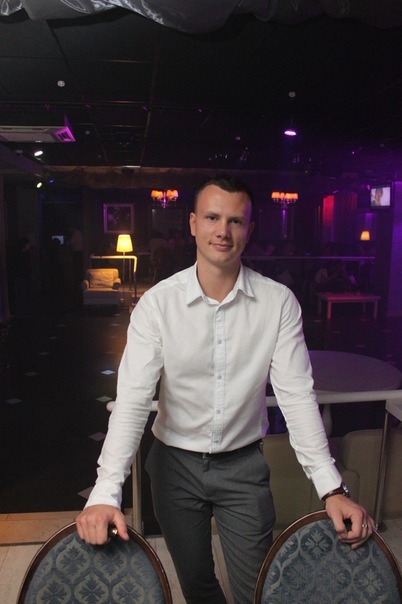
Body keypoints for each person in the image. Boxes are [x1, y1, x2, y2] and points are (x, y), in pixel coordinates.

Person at [77, 175, 374, 603]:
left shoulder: (278, 302)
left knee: (260, 587)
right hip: (174, 466)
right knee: (197, 584)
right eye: (212, 218)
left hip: (243, 466)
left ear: (249, 230)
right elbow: (133, 401)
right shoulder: (158, 304)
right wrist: (106, 490)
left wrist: (331, 488)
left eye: (235, 221)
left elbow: (296, 397)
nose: (223, 231)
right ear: (193, 223)